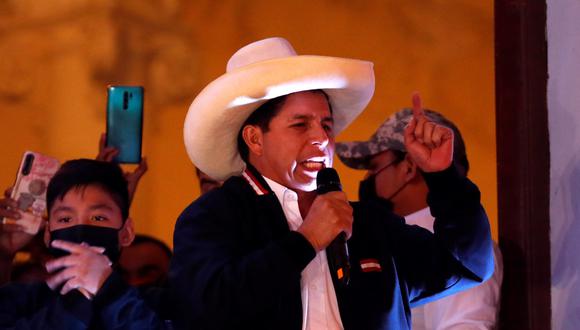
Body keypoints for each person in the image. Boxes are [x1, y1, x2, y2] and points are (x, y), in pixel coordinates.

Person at [170, 37, 494, 329]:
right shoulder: (213, 218)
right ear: (255, 138)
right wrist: (306, 241)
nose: (321, 138)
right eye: (300, 125)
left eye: (326, 124)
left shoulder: (367, 223)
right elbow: (203, 310)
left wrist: (444, 178)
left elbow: (468, 266)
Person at [337, 108, 504, 329]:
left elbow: (464, 325)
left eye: (375, 167)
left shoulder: (454, 248)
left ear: (408, 167)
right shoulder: (388, 238)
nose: (368, 179)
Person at [0, 159, 165, 329]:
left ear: (127, 233)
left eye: (98, 218)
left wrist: (108, 290)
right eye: (65, 219)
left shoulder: (157, 304)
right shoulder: (24, 301)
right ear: (48, 235)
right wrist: (2, 255)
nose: (81, 232)